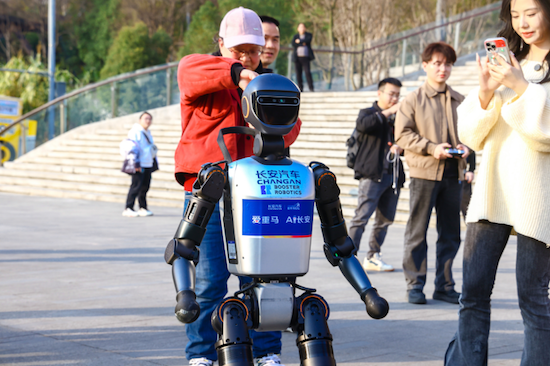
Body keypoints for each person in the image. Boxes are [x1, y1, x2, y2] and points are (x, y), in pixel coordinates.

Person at [174, 7, 301, 366]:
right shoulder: (202, 71)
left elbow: (291, 128)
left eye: (254, 51)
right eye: (238, 50)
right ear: (221, 45)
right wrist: (239, 74)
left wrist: (263, 97)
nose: (247, 57)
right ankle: (201, 354)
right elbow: (188, 71)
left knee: (268, 276)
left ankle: (266, 352)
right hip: (208, 191)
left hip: (258, 192)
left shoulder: (268, 84)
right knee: (211, 278)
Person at [445, 0, 550, 364]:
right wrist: (486, 91)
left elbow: (545, 134)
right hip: (493, 192)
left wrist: (521, 86)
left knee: (533, 300)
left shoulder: (523, 72)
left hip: (538, 198)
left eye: (531, 12)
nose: (523, 22)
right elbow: (472, 136)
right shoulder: (506, 61)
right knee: (472, 293)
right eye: (516, 14)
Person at [395, 42, 470, 305]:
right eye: (437, 63)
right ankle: (415, 285)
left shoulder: (461, 100)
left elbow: (472, 134)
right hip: (424, 173)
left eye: (447, 64)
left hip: (454, 174)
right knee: (417, 232)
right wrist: (431, 148)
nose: (443, 69)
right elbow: (402, 135)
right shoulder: (412, 99)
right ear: (425, 65)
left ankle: (445, 286)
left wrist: (466, 147)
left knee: (450, 233)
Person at [348, 77, 405, 272]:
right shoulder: (368, 113)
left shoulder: (398, 118)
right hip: (372, 174)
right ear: (379, 93)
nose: (395, 98)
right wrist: (389, 111)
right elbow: (364, 125)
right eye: (391, 94)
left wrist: (401, 146)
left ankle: (373, 256)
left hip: (393, 176)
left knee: (385, 219)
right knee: (361, 217)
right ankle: (349, 256)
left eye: (397, 95)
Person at [122, 111, 157, 217]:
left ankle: (143, 207)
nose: (148, 121)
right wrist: (135, 163)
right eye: (146, 118)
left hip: (147, 163)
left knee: (145, 187)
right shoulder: (135, 131)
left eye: (150, 119)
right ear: (140, 120)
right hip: (139, 163)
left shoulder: (148, 132)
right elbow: (131, 147)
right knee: (136, 186)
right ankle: (128, 207)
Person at [292, 23, 315, 92]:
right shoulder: (295, 36)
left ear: (305, 28)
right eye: (300, 27)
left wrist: (299, 41)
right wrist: (303, 43)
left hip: (306, 57)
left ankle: (311, 88)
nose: (301, 28)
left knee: (307, 72)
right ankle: (300, 88)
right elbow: (293, 43)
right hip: (297, 57)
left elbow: (308, 41)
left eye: (303, 27)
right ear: (298, 29)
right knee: (298, 73)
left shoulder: (308, 35)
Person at [460, 151, 475, 222]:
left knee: (466, 205)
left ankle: (470, 228)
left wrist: (471, 170)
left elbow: (471, 150)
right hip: (447, 173)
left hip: (463, 175)